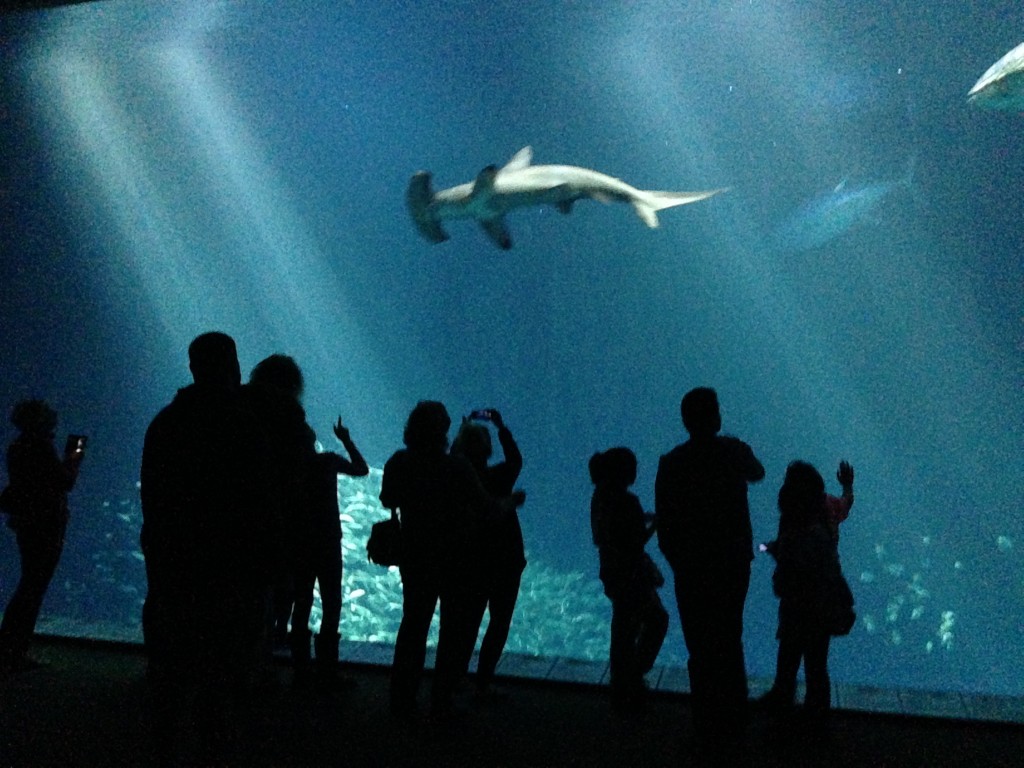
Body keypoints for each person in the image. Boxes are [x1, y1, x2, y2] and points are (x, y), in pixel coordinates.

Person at [140, 331, 279, 764]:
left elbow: (154, 498)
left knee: (175, 674)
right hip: (232, 570)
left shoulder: (166, 422)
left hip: (176, 565)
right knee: (225, 674)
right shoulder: (246, 425)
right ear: (233, 367)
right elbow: (262, 500)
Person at [379, 401, 525, 719]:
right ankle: (440, 701)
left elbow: (387, 498)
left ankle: (401, 698)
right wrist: (511, 501)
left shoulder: (398, 461)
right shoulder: (455, 468)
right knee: (452, 631)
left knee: (413, 626)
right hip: (453, 559)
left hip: (414, 555)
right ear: (441, 432)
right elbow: (488, 507)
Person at [655, 386, 764, 746]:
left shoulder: (671, 463)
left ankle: (705, 720)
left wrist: (680, 564)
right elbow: (758, 472)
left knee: (700, 645)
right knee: (729, 638)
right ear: (715, 417)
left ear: (685, 421)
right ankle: (734, 719)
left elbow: (666, 527)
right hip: (732, 564)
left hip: (691, 568)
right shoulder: (732, 452)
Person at [761, 460, 855, 726]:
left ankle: (783, 703)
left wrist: (775, 551)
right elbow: (846, 504)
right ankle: (816, 717)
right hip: (822, 601)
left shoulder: (794, 520)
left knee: (790, 655)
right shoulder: (829, 508)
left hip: (799, 601)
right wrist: (847, 485)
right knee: (816, 662)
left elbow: (793, 560)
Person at [0, 400, 85, 671]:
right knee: (32, 588)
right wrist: (75, 454)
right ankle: (14, 652)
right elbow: (65, 481)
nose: (54, 417)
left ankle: (9, 648)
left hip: (27, 523)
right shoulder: (40, 446)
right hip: (44, 525)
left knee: (28, 585)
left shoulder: (17, 446)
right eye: (48, 414)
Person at [448, 408, 525, 697]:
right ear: (488, 449)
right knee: (499, 621)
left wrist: (462, 433)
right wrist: (500, 425)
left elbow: (454, 459)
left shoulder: (455, 480)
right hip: (506, 560)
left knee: (468, 621)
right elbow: (516, 460)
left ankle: (456, 678)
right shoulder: (500, 477)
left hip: (472, 561)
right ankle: (483, 682)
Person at [291, 416, 368, 688]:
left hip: (300, 543)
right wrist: (346, 439)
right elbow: (362, 469)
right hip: (328, 542)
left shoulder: (290, 467)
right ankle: (327, 673)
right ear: (313, 441)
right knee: (331, 603)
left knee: (301, 604)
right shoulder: (327, 461)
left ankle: (300, 671)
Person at [589, 447, 668, 711]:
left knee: (622, 627)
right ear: (624, 472)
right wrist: (656, 525)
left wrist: (641, 518)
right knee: (656, 620)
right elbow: (635, 542)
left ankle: (620, 683)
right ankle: (632, 676)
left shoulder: (600, 496)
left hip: (611, 571)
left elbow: (608, 533)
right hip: (632, 574)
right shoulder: (627, 501)